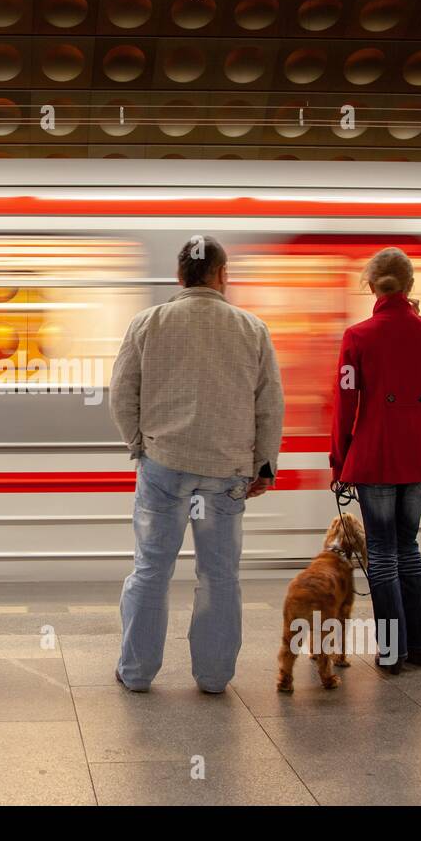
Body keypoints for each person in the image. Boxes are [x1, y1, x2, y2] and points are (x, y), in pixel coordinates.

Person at [109, 236, 284, 693]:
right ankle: (212, 677)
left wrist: (139, 445)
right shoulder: (252, 328)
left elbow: (122, 394)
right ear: (223, 275)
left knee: (151, 569)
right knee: (219, 575)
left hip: (164, 465)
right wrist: (263, 464)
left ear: (179, 275)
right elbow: (269, 404)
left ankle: (137, 672)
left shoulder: (148, 323)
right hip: (227, 471)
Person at [329, 247, 421, 674]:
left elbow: (346, 403)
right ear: (410, 286)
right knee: (409, 547)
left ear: (371, 286)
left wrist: (339, 461)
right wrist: (416, 319)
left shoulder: (358, 336)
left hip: (376, 454)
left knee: (382, 554)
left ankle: (391, 652)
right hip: (420, 452)